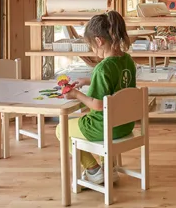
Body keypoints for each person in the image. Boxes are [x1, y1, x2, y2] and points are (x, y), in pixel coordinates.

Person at [56, 11, 137, 185]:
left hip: (105, 127)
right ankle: (109, 168)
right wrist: (88, 80)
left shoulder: (102, 68)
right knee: (103, 119)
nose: (93, 50)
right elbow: (118, 85)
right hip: (124, 125)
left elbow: (99, 105)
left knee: (61, 129)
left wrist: (76, 94)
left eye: (91, 45)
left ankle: (93, 170)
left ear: (99, 41)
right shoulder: (127, 61)